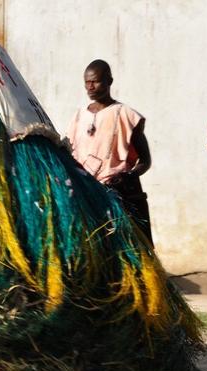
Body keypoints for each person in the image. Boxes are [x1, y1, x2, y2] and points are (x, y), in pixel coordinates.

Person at [66, 59, 154, 244]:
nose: (90, 87)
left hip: (115, 193)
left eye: (95, 81)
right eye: (87, 82)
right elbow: (68, 152)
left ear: (109, 81)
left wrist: (127, 176)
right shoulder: (79, 116)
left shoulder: (126, 115)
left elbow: (145, 160)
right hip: (83, 192)